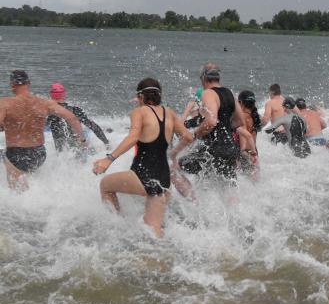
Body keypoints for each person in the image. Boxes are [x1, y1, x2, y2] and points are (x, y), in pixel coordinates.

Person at [92, 78, 193, 237]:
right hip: (164, 179)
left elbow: (133, 137)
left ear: (140, 96)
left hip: (142, 175)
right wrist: (173, 154)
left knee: (105, 185)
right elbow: (188, 137)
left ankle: (115, 229)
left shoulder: (139, 112)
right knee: (153, 231)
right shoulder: (170, 113)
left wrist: (108, 159)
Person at [0, 70, 85, 190]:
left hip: (16, 154)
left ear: (12, 85)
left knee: (17, 191)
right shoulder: (44, 103)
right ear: (29, 83)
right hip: (39, 153)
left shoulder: (4, 103)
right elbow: (72, 118)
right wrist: (82, 139)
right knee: (31, 183)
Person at [176, 64, 245, 186]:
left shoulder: (208, 93)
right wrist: (224, 127)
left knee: (178, 165)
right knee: (227, 187)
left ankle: (192, 197)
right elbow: (240, 121)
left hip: (213, 149)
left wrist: (195, 134)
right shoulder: (229, 93)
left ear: (204, 78)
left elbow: (211, 121)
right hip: (230, 149)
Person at [46, 82, 109, 153]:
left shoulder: (48, 113)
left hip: (61, 154)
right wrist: (106, 143)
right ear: (64, 94)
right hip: (77, 149)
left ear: (51, 95)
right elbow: (93, 126)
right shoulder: (75, 110)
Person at [235, 90, 261, 177]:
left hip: (245, 154)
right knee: (254, 182)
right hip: (254, 153)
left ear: (241, 103)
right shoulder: (255, 116)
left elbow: (243, 142)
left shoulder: (241, 117)